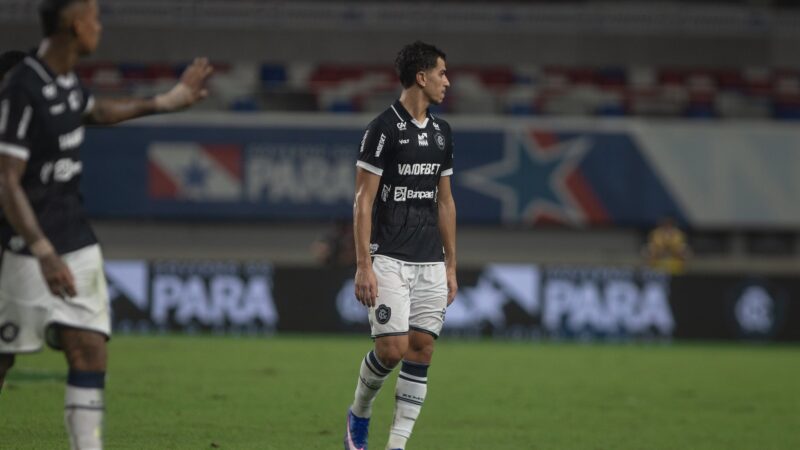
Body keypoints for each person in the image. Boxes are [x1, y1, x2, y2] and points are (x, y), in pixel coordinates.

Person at [0, 1, 212, 448]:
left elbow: (97, 112)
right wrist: (41, 250)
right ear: (76, 25)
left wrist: (167, 102)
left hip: (75, 238)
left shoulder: (67, 83)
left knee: (90, 351)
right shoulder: (22, 86)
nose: (100, 26)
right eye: (95, 18)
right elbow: (6, 179)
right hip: (24, 248)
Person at [345, 41, 458, 450]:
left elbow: (445, 201)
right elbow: (363, 200)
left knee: (422, 348)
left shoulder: (443, 133)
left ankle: (396, 445)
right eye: (442, 73)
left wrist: (451, 265)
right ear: (421, 77)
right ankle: (359, 412)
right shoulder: (382, 129)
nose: (448, 81)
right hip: (389, 256)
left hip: (430, 260)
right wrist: (363, 264)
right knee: (391, 349)